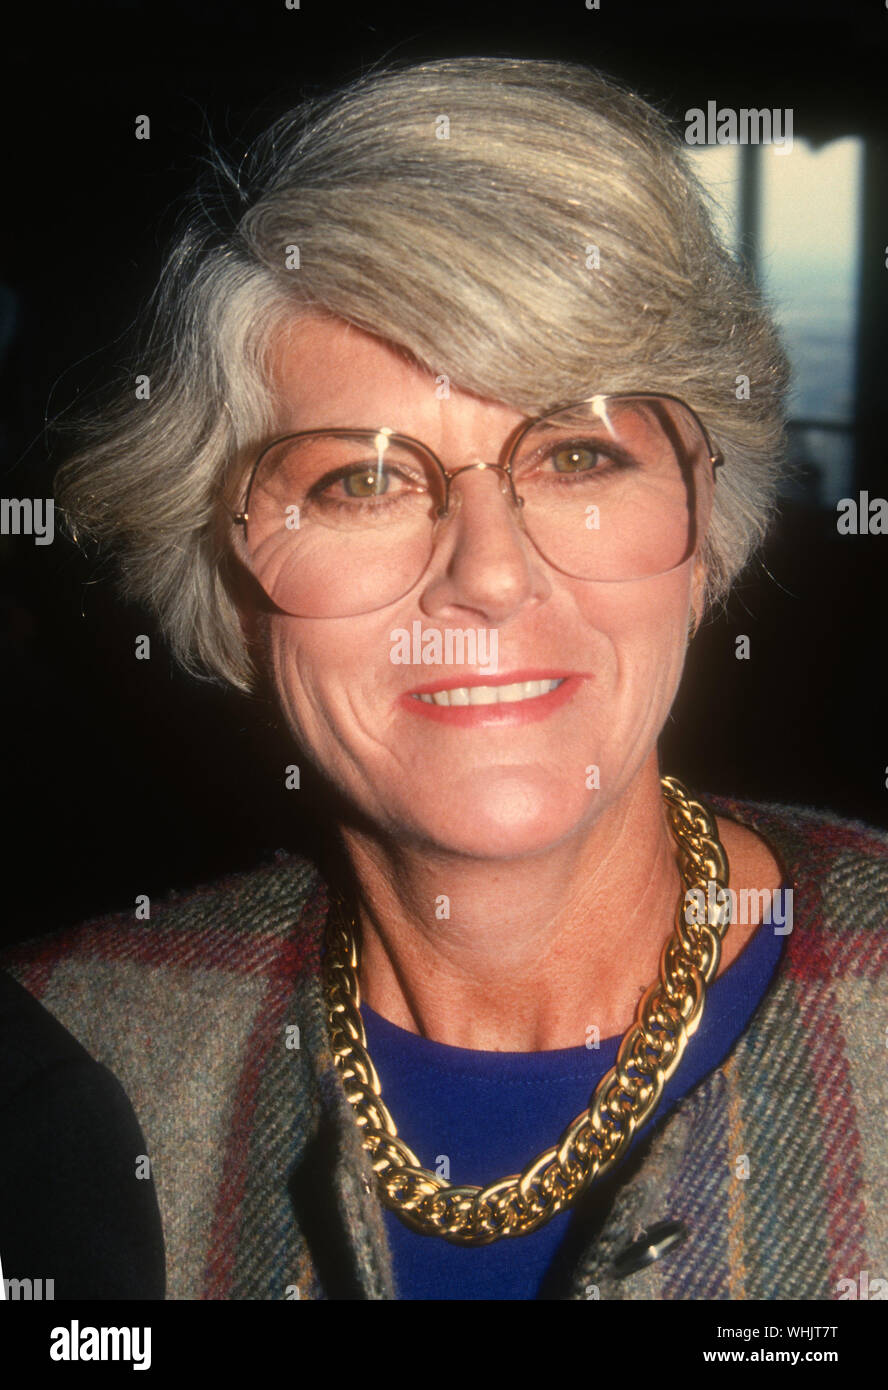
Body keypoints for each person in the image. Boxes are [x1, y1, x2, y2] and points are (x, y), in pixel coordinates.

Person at [1, 55, 886, 1302]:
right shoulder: (59, 1065)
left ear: (704, 535)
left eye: (579, 454)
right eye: (362, 480)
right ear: (226, 580)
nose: (489, 575)